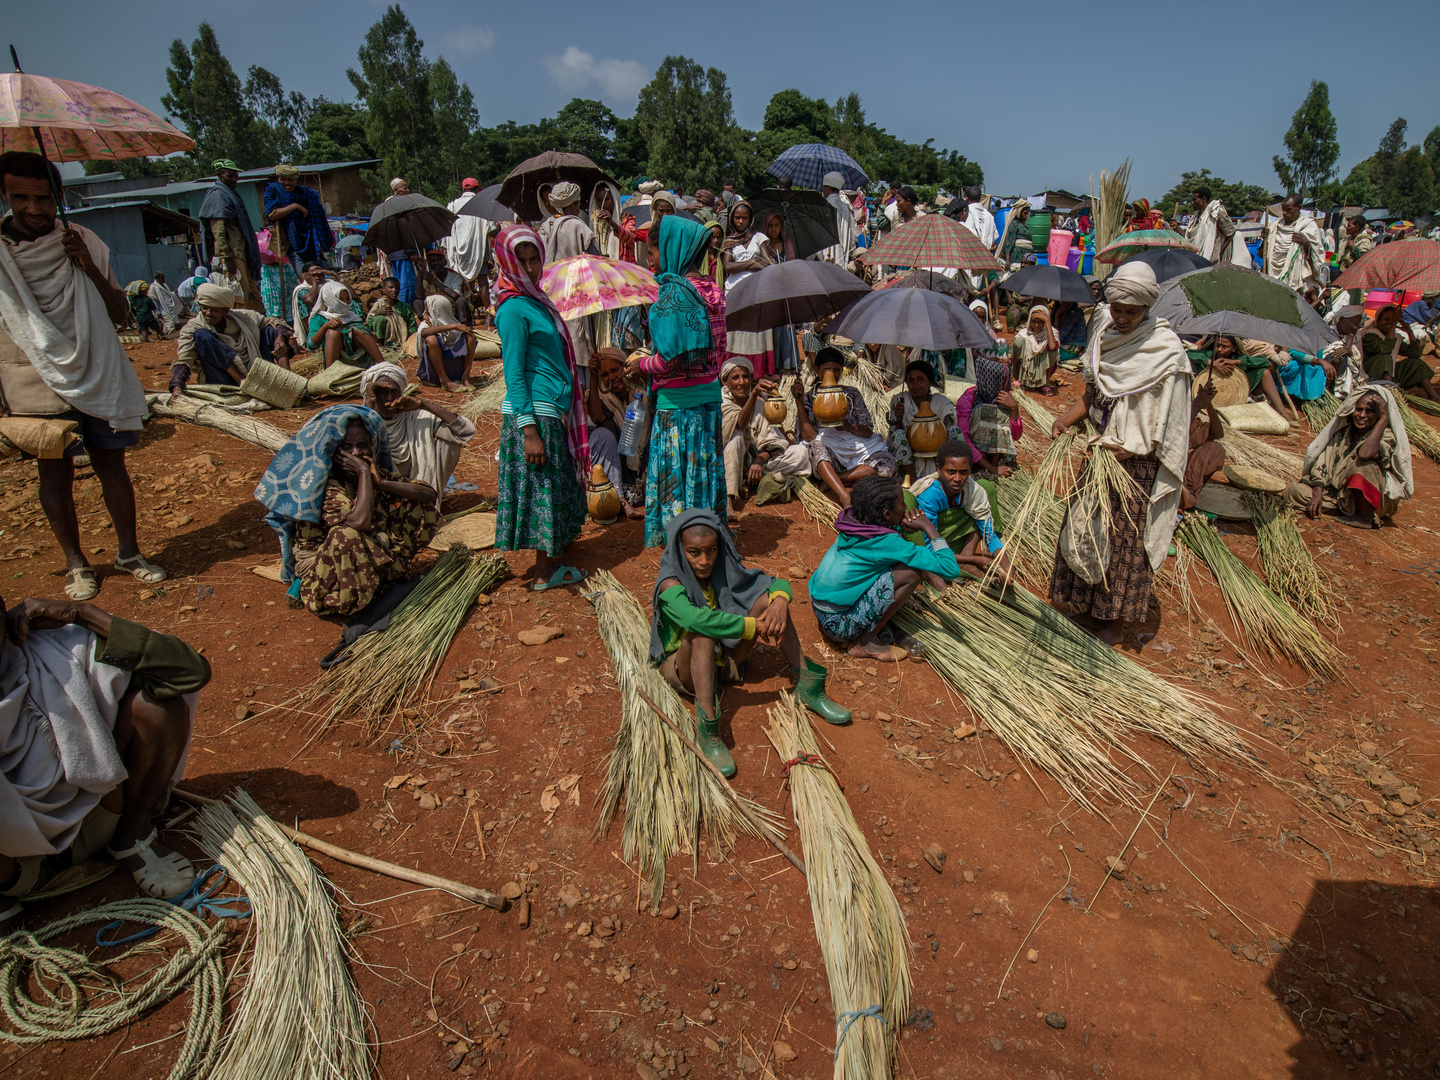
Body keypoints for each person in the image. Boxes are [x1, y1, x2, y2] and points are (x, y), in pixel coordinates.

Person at [0, 150, 163, 602]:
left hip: (96, 367)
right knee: (53, 474)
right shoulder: (1, 254)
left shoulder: (83, 241)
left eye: (43, 198)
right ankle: (77, 564)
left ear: (58, 196)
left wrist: (86, 266)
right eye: (21, 198)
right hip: (32, 375)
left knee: (113, 465)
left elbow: (121, 314)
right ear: (5, 195)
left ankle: (129, 553)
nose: (34, 209)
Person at [0, 592, 210, 929]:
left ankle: (133, 837)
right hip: (12, 862)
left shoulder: (48, 651)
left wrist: (81, 613)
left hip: (102, 814)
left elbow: (188, 671)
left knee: (159, 710)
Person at [1049, 261, 1190, 647]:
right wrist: (1068, 419)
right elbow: (1094, 395)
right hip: (1101, 457)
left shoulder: (1165, 351)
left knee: (1123, 540)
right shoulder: (1104, 337)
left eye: (1132, 311)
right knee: (1085, 529)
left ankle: (1112, 623)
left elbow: (1168, 420)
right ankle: (1085, 606)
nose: (1123, 318)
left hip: (1135, 467)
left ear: (1147, 309)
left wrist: (1128, 448)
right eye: (1117, 309)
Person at [650, 510, 849, 776]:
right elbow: (693, 619)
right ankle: (708, 727)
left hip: (724, 659)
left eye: (711, 550)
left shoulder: (723, 569)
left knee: (769, 603)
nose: (705, 561)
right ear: (679, 550)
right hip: (686, 668)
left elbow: (778, 584)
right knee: (702, 632)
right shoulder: (670, 583)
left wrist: (779, 601)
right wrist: (752, 626)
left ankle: (806, 685)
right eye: (694, 552)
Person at [258, 407, 437, 614]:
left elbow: (428, 494)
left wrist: (382, 483)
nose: (356, 453)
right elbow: (361, 522)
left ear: (372, 447)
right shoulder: (326, 487)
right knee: (346, 534)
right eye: (347, 448)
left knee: (418, 505)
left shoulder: (374, 474)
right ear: (333, 452)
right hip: (322, 560)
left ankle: (388, 575)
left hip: (366, 547)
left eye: (362, 445)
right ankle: (343, 600)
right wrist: (363, 472)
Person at [493, 225, 590, 590]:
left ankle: (553, 561)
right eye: (523, 260)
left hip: (551, 411)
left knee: (552, 488)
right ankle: (545, 573)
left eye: (535, 259)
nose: (531, 267)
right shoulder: (514, 309)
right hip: (536, 413)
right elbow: (514, 373)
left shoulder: (536, 301)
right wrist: (528, 430)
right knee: (545, 492)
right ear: (506, 261)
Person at [625, 216, 728, 547]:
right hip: (709, 398)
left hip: (678, 406)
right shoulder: (713, 289)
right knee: (703, 473)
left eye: (652, 252)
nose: (651, 260)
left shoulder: (673, 294)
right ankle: (706, 537)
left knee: (676, 476)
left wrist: (642, 363)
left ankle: (680, 544)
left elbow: (670, 360)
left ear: (669, 248)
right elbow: (717, 349)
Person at [808, 474, 961, 661]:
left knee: (888, 565)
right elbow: (950, 569)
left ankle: (862, 629)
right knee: (912, 573)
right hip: (838, 625)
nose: (906, 507)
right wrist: (928, 527)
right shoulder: (888, 542)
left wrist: (903, 527)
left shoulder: (851, 520)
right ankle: (865, 642)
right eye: (902, 504)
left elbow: (879, 536)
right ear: (887, 514)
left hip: (821, 611)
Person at [1284, 387, 1411, 527]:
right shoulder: (1342, 434)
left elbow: (1365, 453)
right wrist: (1317, 492)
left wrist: (1384, 419)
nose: (1362, 415)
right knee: (1293, 492)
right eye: (1359, 409)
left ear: (1379, 416)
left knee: (1363, 464)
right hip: (1340, 495)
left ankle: (1365, 516)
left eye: (1370, 411)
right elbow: (1323, 464)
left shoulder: (1386, 436)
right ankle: (1345, 510)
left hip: (1373, 498)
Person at [358, 362, 475, 508]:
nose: (389, 398)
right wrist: (368, 405)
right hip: (381, 490)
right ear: (370, 393)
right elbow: (359, 448)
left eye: (394, 391)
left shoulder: (415, 416)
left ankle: (429, 495)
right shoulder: (361, 419)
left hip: (418, 489)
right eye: (381, 391)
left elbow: (465, 432)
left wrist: (423, 404)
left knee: (451, 439)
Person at [792, 348, 899, 507]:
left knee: (887, 464)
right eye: (827, 369)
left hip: (857, 447)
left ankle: (834, 478)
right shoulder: (809, 397)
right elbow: (808, 437)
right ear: (817, 370)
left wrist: (849, 427)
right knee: (816, 447)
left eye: (836, 370)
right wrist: (799, 402)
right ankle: (843, 495)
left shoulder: (851, 394)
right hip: (830, 451)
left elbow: (867, 430)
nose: (832, 374)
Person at [903, 440, 1012, 578]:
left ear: (970, 470)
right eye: (951, 472)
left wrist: (1007, 566)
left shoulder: (972, 492)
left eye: (964, 472)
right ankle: (961, 563)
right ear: (939, 469)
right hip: (934, 549)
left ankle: (965, 557)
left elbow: (989, 536)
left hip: (953, 545)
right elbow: (931, 546)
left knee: (982, 503)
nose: (957, 478)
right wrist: (974, 560)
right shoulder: (932, 495)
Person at [720, 357, 810, 518]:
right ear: (725, 381)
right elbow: (740, 423)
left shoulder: (760, 404)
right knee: (737, 438)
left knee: (801, 452)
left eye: (746, 377)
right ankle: (728, 500)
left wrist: (759, 459)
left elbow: (774, 440)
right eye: (735, 378)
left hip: (754, 464)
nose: (742, 382)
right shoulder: (721, 402)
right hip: (728, 463)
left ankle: (748, 481)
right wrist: (754, 394)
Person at [170, 282, 296, 394]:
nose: (208, 313)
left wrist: (280, 339)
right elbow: (184, 359)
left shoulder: (244, 317)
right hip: (222, 378)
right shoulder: (193, 327)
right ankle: (243, 383)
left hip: (256, 371)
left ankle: (289, 380)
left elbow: (275, 322)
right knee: (202, 335)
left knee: (270, 330)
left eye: (214, 310)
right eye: (204, 308)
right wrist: (177, 385)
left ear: (226, 310)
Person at [584, 346, 645, 517]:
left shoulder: (640, 394)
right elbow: (597, 417)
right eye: (604, 374)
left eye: (615, 370)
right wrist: (592, 376)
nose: (611, 377)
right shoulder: (599, 397)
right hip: (617, 464)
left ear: (625, 367)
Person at [198, 159, 263, 312]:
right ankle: (242, 327)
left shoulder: (231, 194)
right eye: (230, 176)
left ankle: (259, 324)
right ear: (220, 176)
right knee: (240, 294)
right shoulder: (217, 196)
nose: (234, 180)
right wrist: (227, 259)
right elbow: (218, 233)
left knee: (252, 291)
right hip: (234, 253)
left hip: (243, 250)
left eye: (236, 176)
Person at [886, 359, 956, 481]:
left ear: (929, 382)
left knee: (956, 432)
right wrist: (899, 417)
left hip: (937, 449)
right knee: (898, 436)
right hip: (910, 450)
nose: (915, 385)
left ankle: (950, 474)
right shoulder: (901, 401)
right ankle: (912, 481)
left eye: (920, 380)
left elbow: (948, 428)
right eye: (911, 380)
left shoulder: (941, 402)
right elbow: (895, 433)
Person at [955, 350, 1023, 477]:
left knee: (996, 411)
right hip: (973, 455)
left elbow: (1015, 436)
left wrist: (1014, 409)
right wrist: (991, 468)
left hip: (997, 457)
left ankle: (997, 462)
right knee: (987, 412)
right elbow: (963, 438)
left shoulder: (1005, 397)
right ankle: (982, 468)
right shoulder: (968, 399)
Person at [263, 164, 333, 281]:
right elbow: (272, 214)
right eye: (283, 179)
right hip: (293, 244)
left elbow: (320, 216)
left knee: (322, 278)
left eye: (290, 180)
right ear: (278, 179)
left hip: (312, 243)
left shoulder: (307, 195)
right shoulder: (274, 191)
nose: (287, 183)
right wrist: (295, 206)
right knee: (306, 280)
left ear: (296, 179)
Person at [1360, 304, 1440, 401]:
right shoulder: (1370, 335)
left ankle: (1432, 395)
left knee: (1416, 363)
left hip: (1391, 374)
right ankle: (1388, 390)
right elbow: (1385, 349)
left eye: (1392, 319)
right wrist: (1393, 324)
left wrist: (1409, 332)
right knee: (1386, 357)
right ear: (1378, 321)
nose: (1389, 322)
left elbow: (1414, 354)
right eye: (1386, 319)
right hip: (1370, 375)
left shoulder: (1395, 337)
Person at [308, 281, 384, 374]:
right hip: (337, 366)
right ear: (330, 299)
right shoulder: (319, 318)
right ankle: (330, 376)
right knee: (333, 333)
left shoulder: (353, 316)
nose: (345, 303)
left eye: (347, 299)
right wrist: (325, 326)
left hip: (360, 361)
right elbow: (311, 345)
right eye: (340, 299)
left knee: (358, 330)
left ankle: (384, 366)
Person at [1264, 195, 1326, 293]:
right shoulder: (1275, 227)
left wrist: (1306, 243)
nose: (1285, 213)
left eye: (1288, 210)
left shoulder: (1308, 226)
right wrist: (1265, 239)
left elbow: (1317, 256)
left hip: (1297, 281)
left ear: (1299, 207)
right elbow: (1262, 254)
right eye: (1283, 210)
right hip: (1273, 277)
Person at [1181, 378, 1226, 509]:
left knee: (1215, 449)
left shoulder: (1192, 416)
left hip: (1183, 471)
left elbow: (1218, 434)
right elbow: (1176, 431)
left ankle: (1192, 492)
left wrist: (1208, 404)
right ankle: (1183, 498)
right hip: (1164, 470)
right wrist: (1197, 404)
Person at [416, 295, 476, 393]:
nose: (426, 309)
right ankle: (444, 381)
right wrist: (453, 327)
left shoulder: (455, 324)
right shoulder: (428, 323)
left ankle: (466, 378)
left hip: (456, 373)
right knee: (431, 339)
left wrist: (455, 327)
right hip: (433, 375)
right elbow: (424, 332)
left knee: (470, 336)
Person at [444, 178, 489, 284]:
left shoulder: (453, 206)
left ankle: (465, 300)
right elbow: (491, 229)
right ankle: (486, 301)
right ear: (477, 189)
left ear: (463, 190)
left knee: (461, 282)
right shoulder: (482, 204)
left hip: (458, 252)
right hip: (479, 250)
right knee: (483, 281)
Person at [1185, 187, 1245, 265]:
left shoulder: (1215, 212)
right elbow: (1193, 237)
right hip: (1195, 257)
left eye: (1195, 199)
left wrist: (1220, 251)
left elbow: (1231, 232)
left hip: (1211, 257)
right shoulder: (1195, 217)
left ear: (1203, 199)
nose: (1192, 202)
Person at [1013, 304, 1059, 394]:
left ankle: (1044, 383)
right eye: (1034, 321)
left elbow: (1052, 347)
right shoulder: (1024, 333)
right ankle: (1020, 379)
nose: (1036, 325)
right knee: (1018, 342)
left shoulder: (1052, 333)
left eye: (1040, 322)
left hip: (1042, 367)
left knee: (1053, 351)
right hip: (1025, 368)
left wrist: (1047, 320)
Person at [365, 276, 418, 346]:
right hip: (382, 341)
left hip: (402, 340)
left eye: (397, 288)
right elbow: (369, 323)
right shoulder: (379, 304)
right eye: (391, 287)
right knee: (379, 319)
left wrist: (407, 338)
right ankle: (381, 345)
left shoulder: (405, 307)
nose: (394, 290)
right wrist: (378, 312)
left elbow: (412, 326)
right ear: (384, 289)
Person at [818, 171, 858, 264]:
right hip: (843, 259)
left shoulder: (825, 206)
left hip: (825, 259)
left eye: (823, 187)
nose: (823, 190)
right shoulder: (846, 207)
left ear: (828, 188)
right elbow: (852, 236)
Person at [996, 199, 1033, 267]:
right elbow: (1009, 242)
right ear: (1019, 212)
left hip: (1026, 255)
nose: (1026, 216)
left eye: (1028, 213)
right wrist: (1008, 259)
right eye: (1025, 213)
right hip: (1017, 255)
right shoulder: (1014, 224)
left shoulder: (1024, 225)